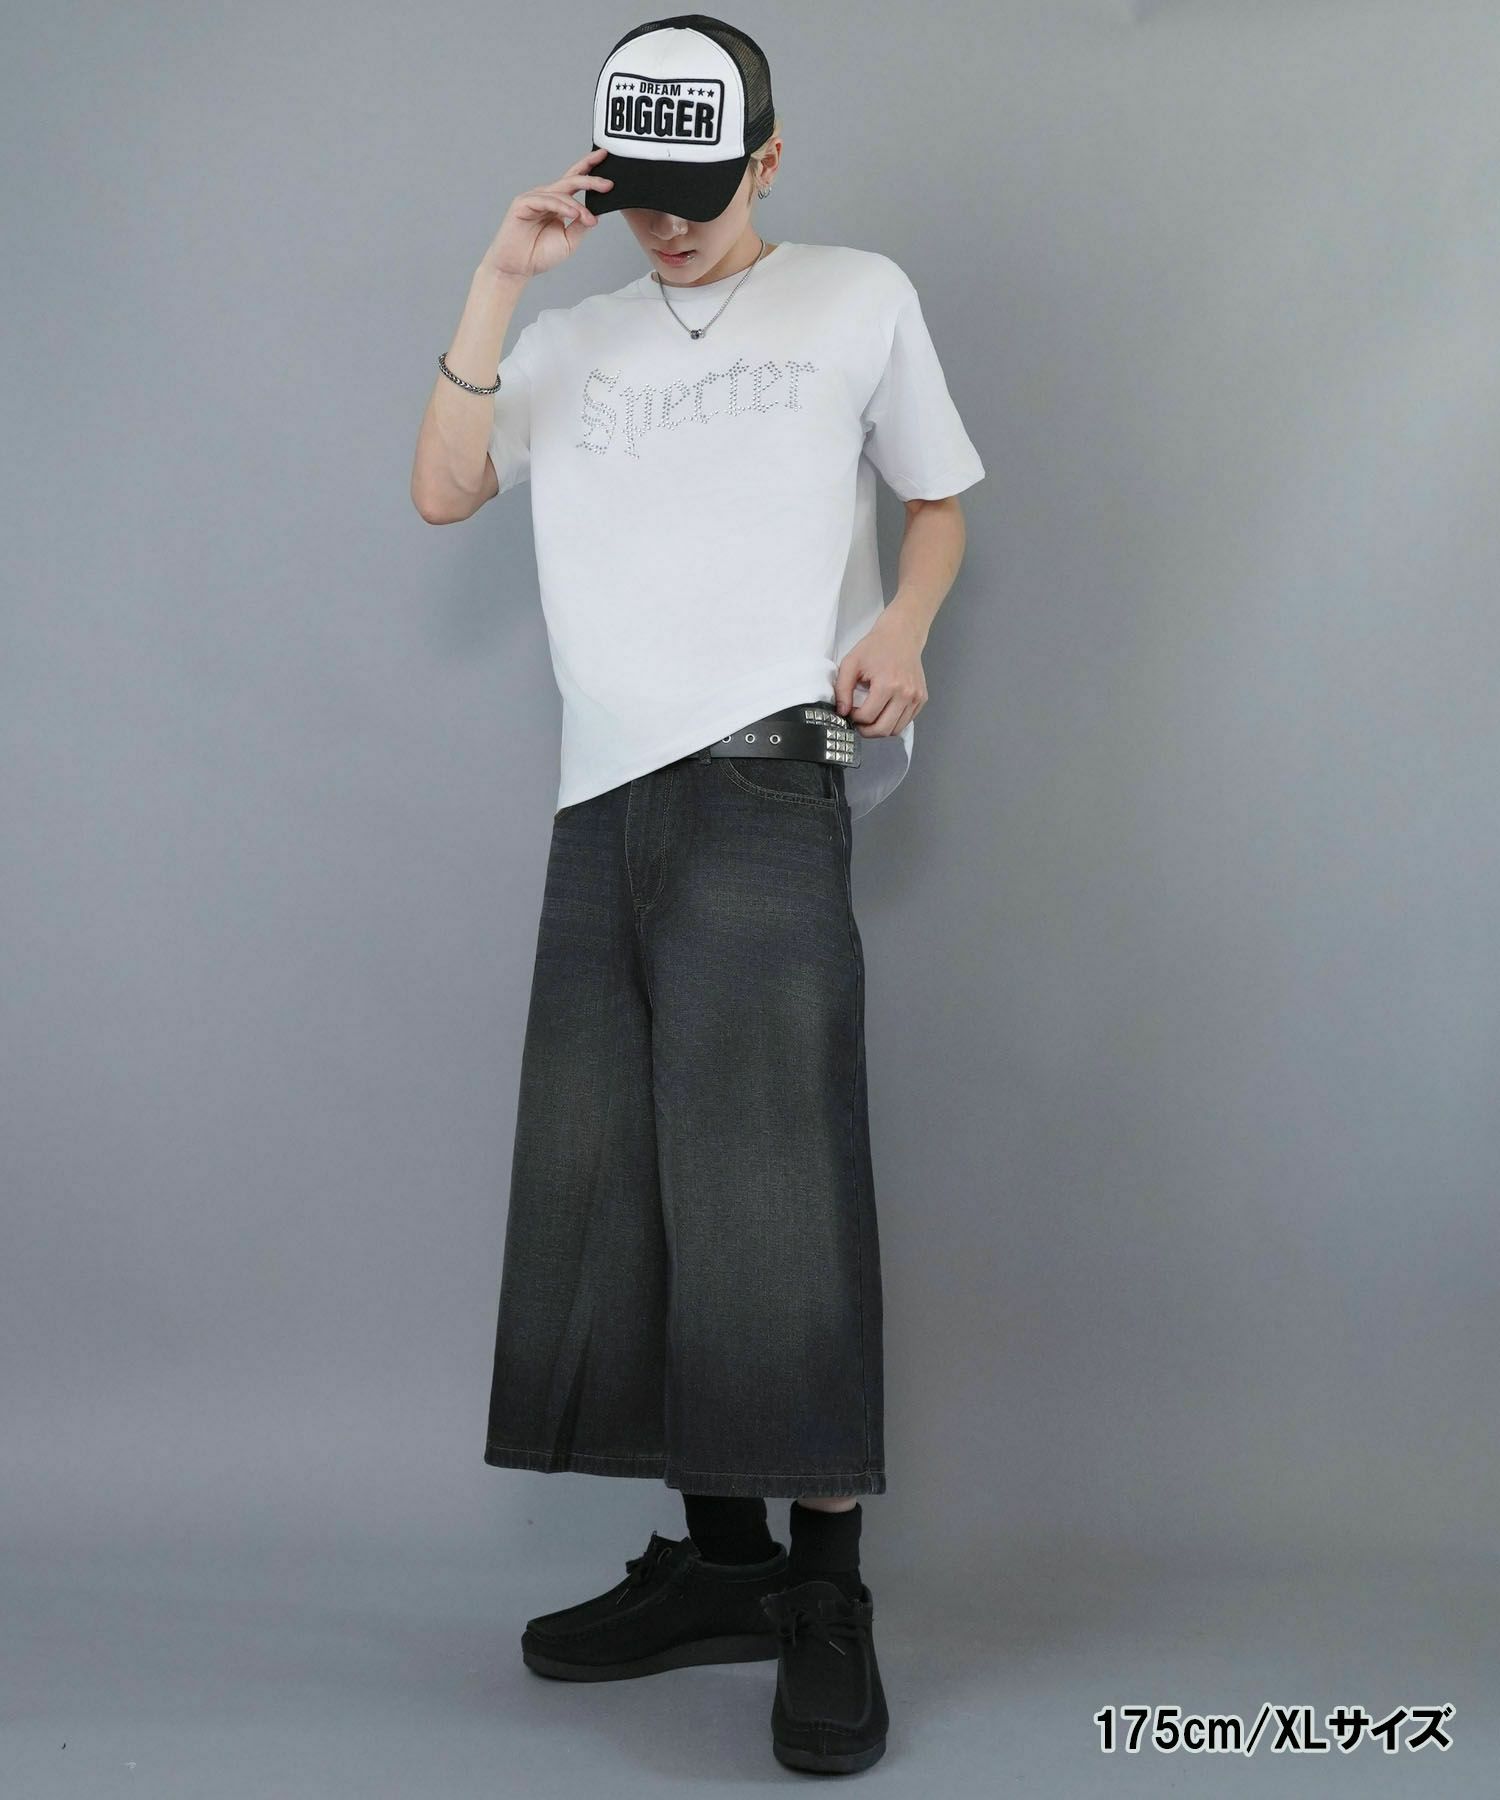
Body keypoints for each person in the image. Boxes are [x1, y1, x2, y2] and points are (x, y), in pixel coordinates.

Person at [410, 14, 983, 1777]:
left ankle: (826, 1592)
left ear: (770, 159)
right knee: (632, 1192)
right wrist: (502, 277)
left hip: (762, 775)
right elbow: (443, 487)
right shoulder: (570, 338)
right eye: (641, 195)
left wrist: (903, 629)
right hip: (603, 797)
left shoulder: (857, 296)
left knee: (774, 1189)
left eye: (701, 190)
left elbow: (939, 502)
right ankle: (725, 1566)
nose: (669, 224)